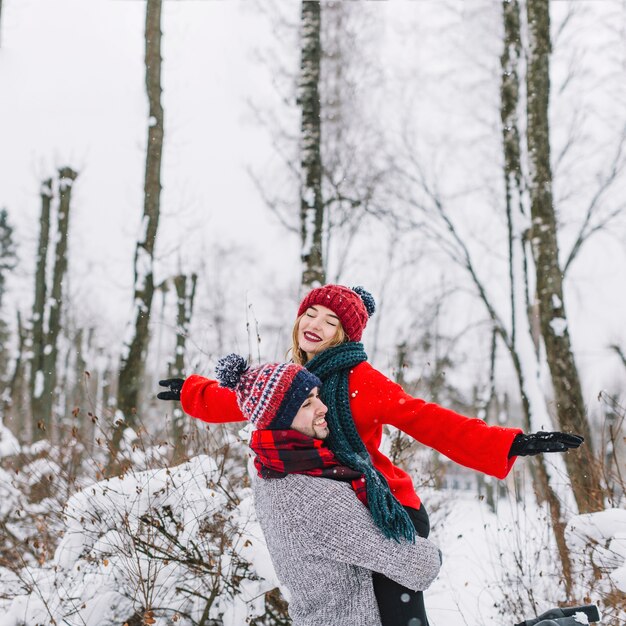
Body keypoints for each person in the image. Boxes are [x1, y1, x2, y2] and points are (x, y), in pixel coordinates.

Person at [158, 284, 584, 626]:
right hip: (340, 514)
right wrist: (193, 393)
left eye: (331, 321)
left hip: (385, 508)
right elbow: (243, 400)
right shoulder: (288, 381)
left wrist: (507, 443)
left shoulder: (364, 380)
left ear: (345, 334)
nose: (315, 325)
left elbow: (426, 419)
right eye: (311, 313)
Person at [212, 353, 442, 626]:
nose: (323, 407)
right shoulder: (310, 497)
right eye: (307, 404)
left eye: (317, 396)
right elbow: (418, 566)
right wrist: (433, 552)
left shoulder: (269, 467)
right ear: (280, 421)